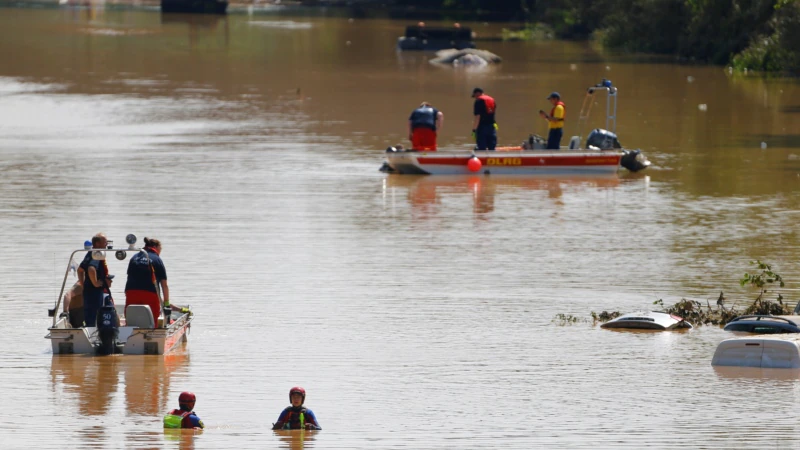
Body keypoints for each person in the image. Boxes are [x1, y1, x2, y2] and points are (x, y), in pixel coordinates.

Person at [125, 237, 169, 326]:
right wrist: (166, 304)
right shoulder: (157, 259)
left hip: (131, 291)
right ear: (156, 247)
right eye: (160, 249)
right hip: (150, 293)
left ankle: (129, 336)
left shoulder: (134, 257)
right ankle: (153, 337)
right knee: (153, 321)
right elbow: (164, 285)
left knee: (131, 318)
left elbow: (129, 275)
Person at [78, 233, 112, 327]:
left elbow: (80, 270)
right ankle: (95, 334)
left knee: (89, 315)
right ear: (97, 244)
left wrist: (82, 283)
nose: (106, 244)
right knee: (95, 315)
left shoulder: (90, 253)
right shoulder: (98, 253)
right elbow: (91, 269)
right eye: (104, 242)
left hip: (88, 290)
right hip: (95, 292)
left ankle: (89, 330)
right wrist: (96, 283)